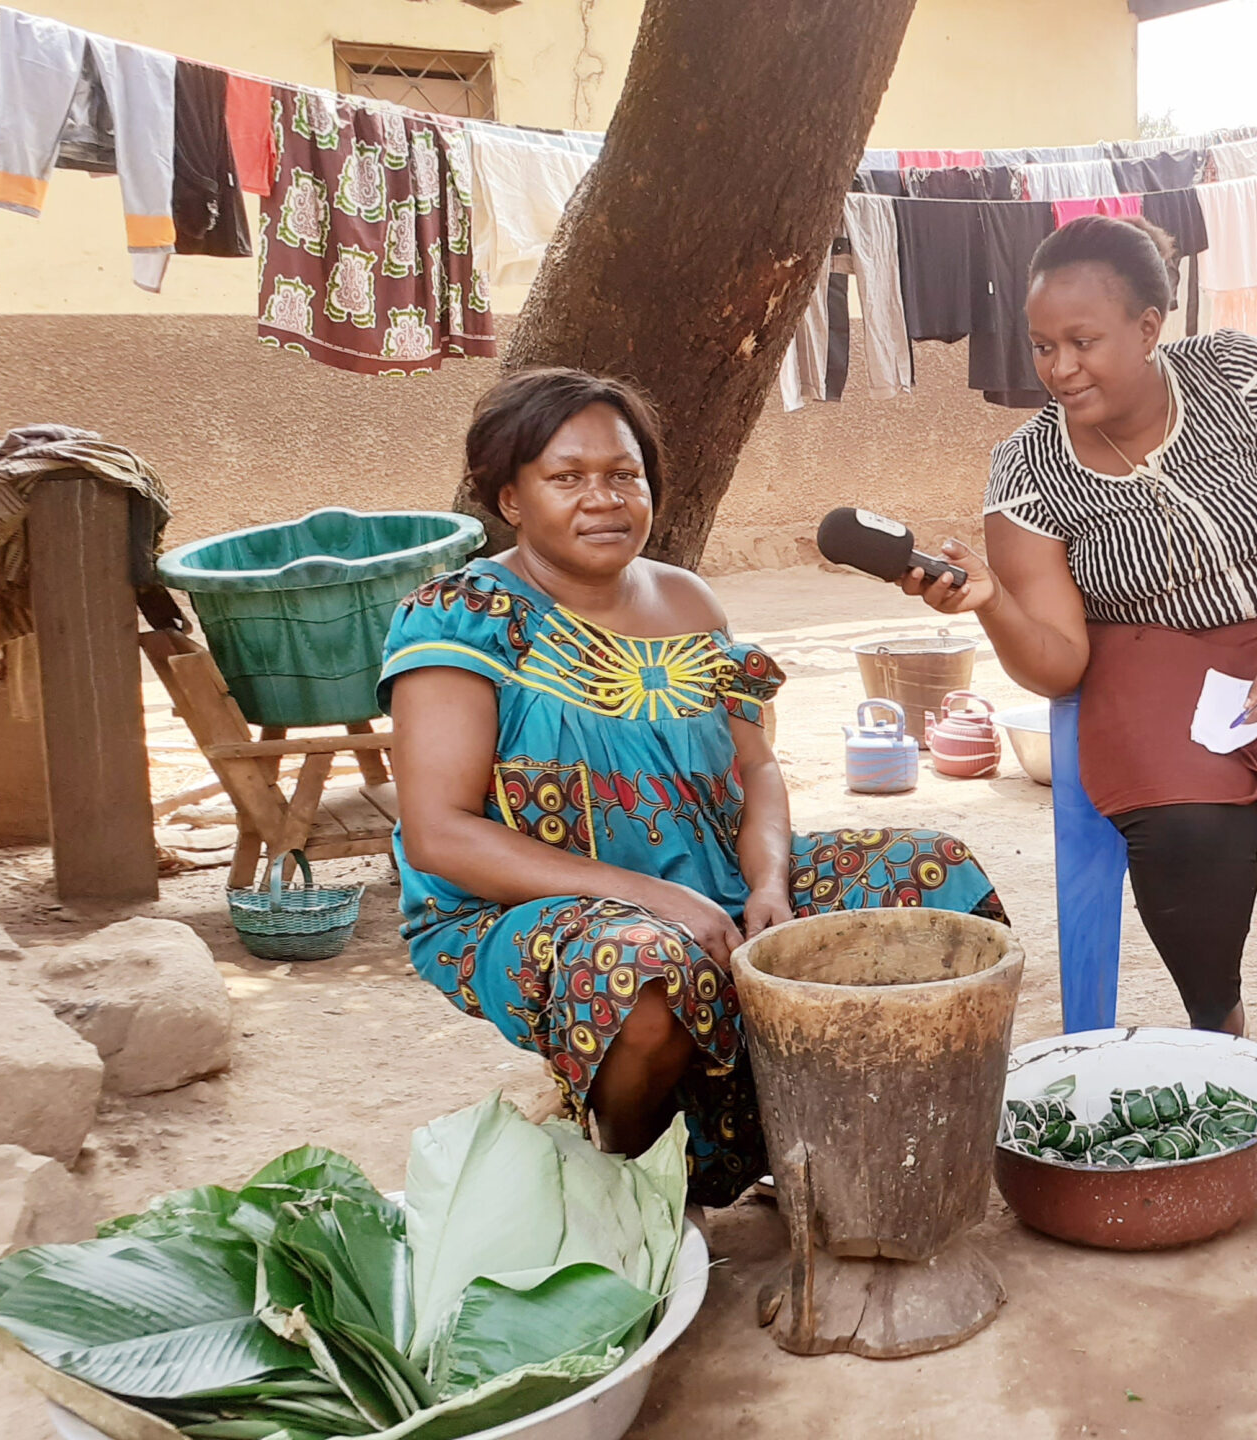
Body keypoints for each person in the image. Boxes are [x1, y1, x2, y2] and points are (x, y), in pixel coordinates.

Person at [904, 214, 1257, 1183]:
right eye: (1042, 346)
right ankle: (1220, 1035)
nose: (1060, 368)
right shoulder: (1025, 476)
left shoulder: (1248, 377)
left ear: (1151, 325)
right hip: (1150, 654)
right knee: (1183, 826)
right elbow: (1059, 665)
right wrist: (991, 608)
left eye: (1084, 342)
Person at [384, 368, 1008, 1207]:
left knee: (933, 878)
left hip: (714, 878)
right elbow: (440, 833)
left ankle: (841, 1142)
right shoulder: (464, 615)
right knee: (646, 969)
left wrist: (768, 883)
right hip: (515, 907)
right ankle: (638, 1188)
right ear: (510, 498)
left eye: (623, 474)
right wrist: (650, 897)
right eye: (567, 478)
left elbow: (756, 770)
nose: (602, 498)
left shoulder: (689, 601)